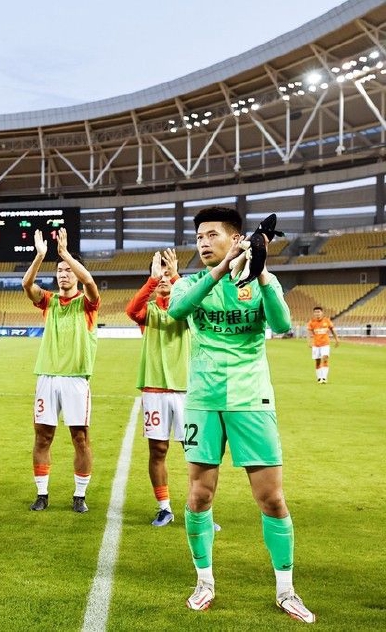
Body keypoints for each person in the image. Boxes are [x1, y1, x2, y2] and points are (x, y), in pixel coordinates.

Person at [168, 206, 314, 623]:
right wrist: (221, 270)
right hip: (204, 400)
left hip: (252, 399)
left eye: (212, 235)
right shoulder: (191, 282)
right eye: (199, 237)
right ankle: (204, 582)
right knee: (199, 494)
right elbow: (178, 311)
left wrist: (261, 273)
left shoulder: (262, 280)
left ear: (236, 239)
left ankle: (286, 590)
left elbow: (282, 324)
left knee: (272, 498)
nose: (203, 243)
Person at [22, 228, 99, 513]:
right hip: (47, 376)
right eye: (60, 270)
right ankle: (42, 494)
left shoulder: (87, 303)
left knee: (80, 438)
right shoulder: (49, 301)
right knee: (42, 436)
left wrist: (65, 254)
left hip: (76, 378)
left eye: (68, 270)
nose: (63, 274)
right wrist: (41, 256)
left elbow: (89, 282)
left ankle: (79, 495)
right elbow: (27, 284)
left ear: (76, 273)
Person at [125, 249, 189, 527]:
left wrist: (175, 277)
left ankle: (200, 511)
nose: (163, 277)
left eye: (166, 273)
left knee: (196, 453)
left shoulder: (187, 309)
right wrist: (152, 282)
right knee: (158, 451)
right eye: (158, 274)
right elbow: (131, 311)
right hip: (154, 390)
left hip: (187, 390)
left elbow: (197, 302)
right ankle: (164, 508)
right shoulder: (149, 311)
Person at [307, 306, 339, 384]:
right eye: (315, 312)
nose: (317, 313)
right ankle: (319, 378)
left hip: (325, 344)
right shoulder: (311, 322)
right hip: (316, 345)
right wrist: (309, 341)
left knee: (325, 358)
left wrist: (337, 339)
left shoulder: (327, 321)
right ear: (314, 313)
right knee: (317, 361)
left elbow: (332, 330)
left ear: (322, 313)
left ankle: (324, 378)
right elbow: (309, 333)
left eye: (318, 312)